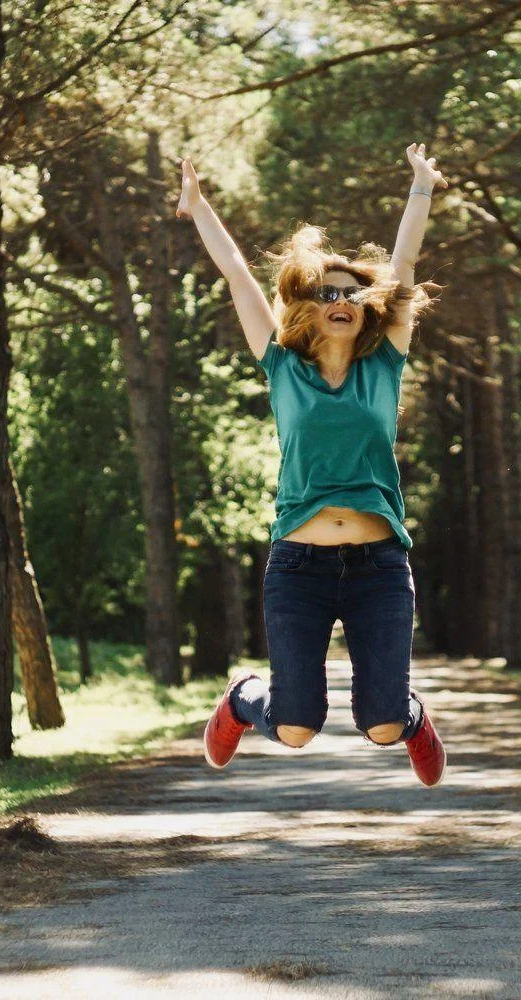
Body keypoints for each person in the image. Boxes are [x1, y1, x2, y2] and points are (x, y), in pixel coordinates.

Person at [175, 142, 449, 786]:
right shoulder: (282, 366)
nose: (341, 298)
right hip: (299, 565)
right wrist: (198, 206)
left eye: (353, 293)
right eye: (327, 291)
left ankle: (408, 717)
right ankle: (244, 699)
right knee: (295, 728)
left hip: (379, 566)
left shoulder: (385, 365)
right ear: (309, 306)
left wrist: (421, 188)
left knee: (381, 725)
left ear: (367, 308)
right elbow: (240, 275)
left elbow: (403, 263)